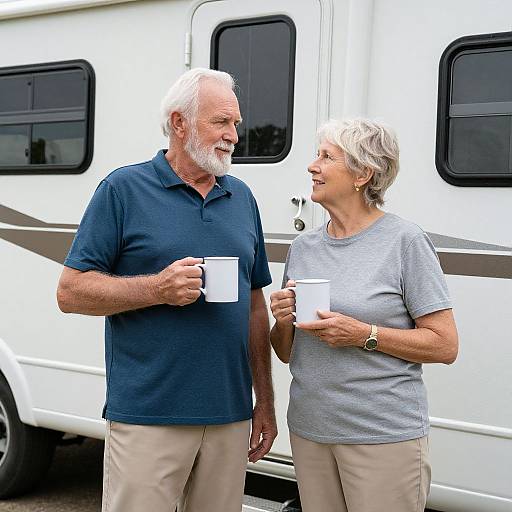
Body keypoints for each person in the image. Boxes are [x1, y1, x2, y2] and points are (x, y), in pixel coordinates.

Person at [56, 68, 277, 512]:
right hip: (149, 415)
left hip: (229, 414)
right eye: (221, 122)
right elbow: (71, 292)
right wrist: (158, 288)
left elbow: (255, 307)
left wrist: (264, 401)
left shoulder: (243, 198)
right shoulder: (123, 189)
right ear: (179, 123)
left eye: (236, 123)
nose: (234, 135)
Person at [269, 118, 458, 512]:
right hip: (310, 431)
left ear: (362, 173)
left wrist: (364, 334)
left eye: (326, 157)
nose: (311, 166)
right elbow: (287, 352)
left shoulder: (405, 241)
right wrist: (283, 320)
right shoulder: (303, 247)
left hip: (381, 435)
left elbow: (444, 345)